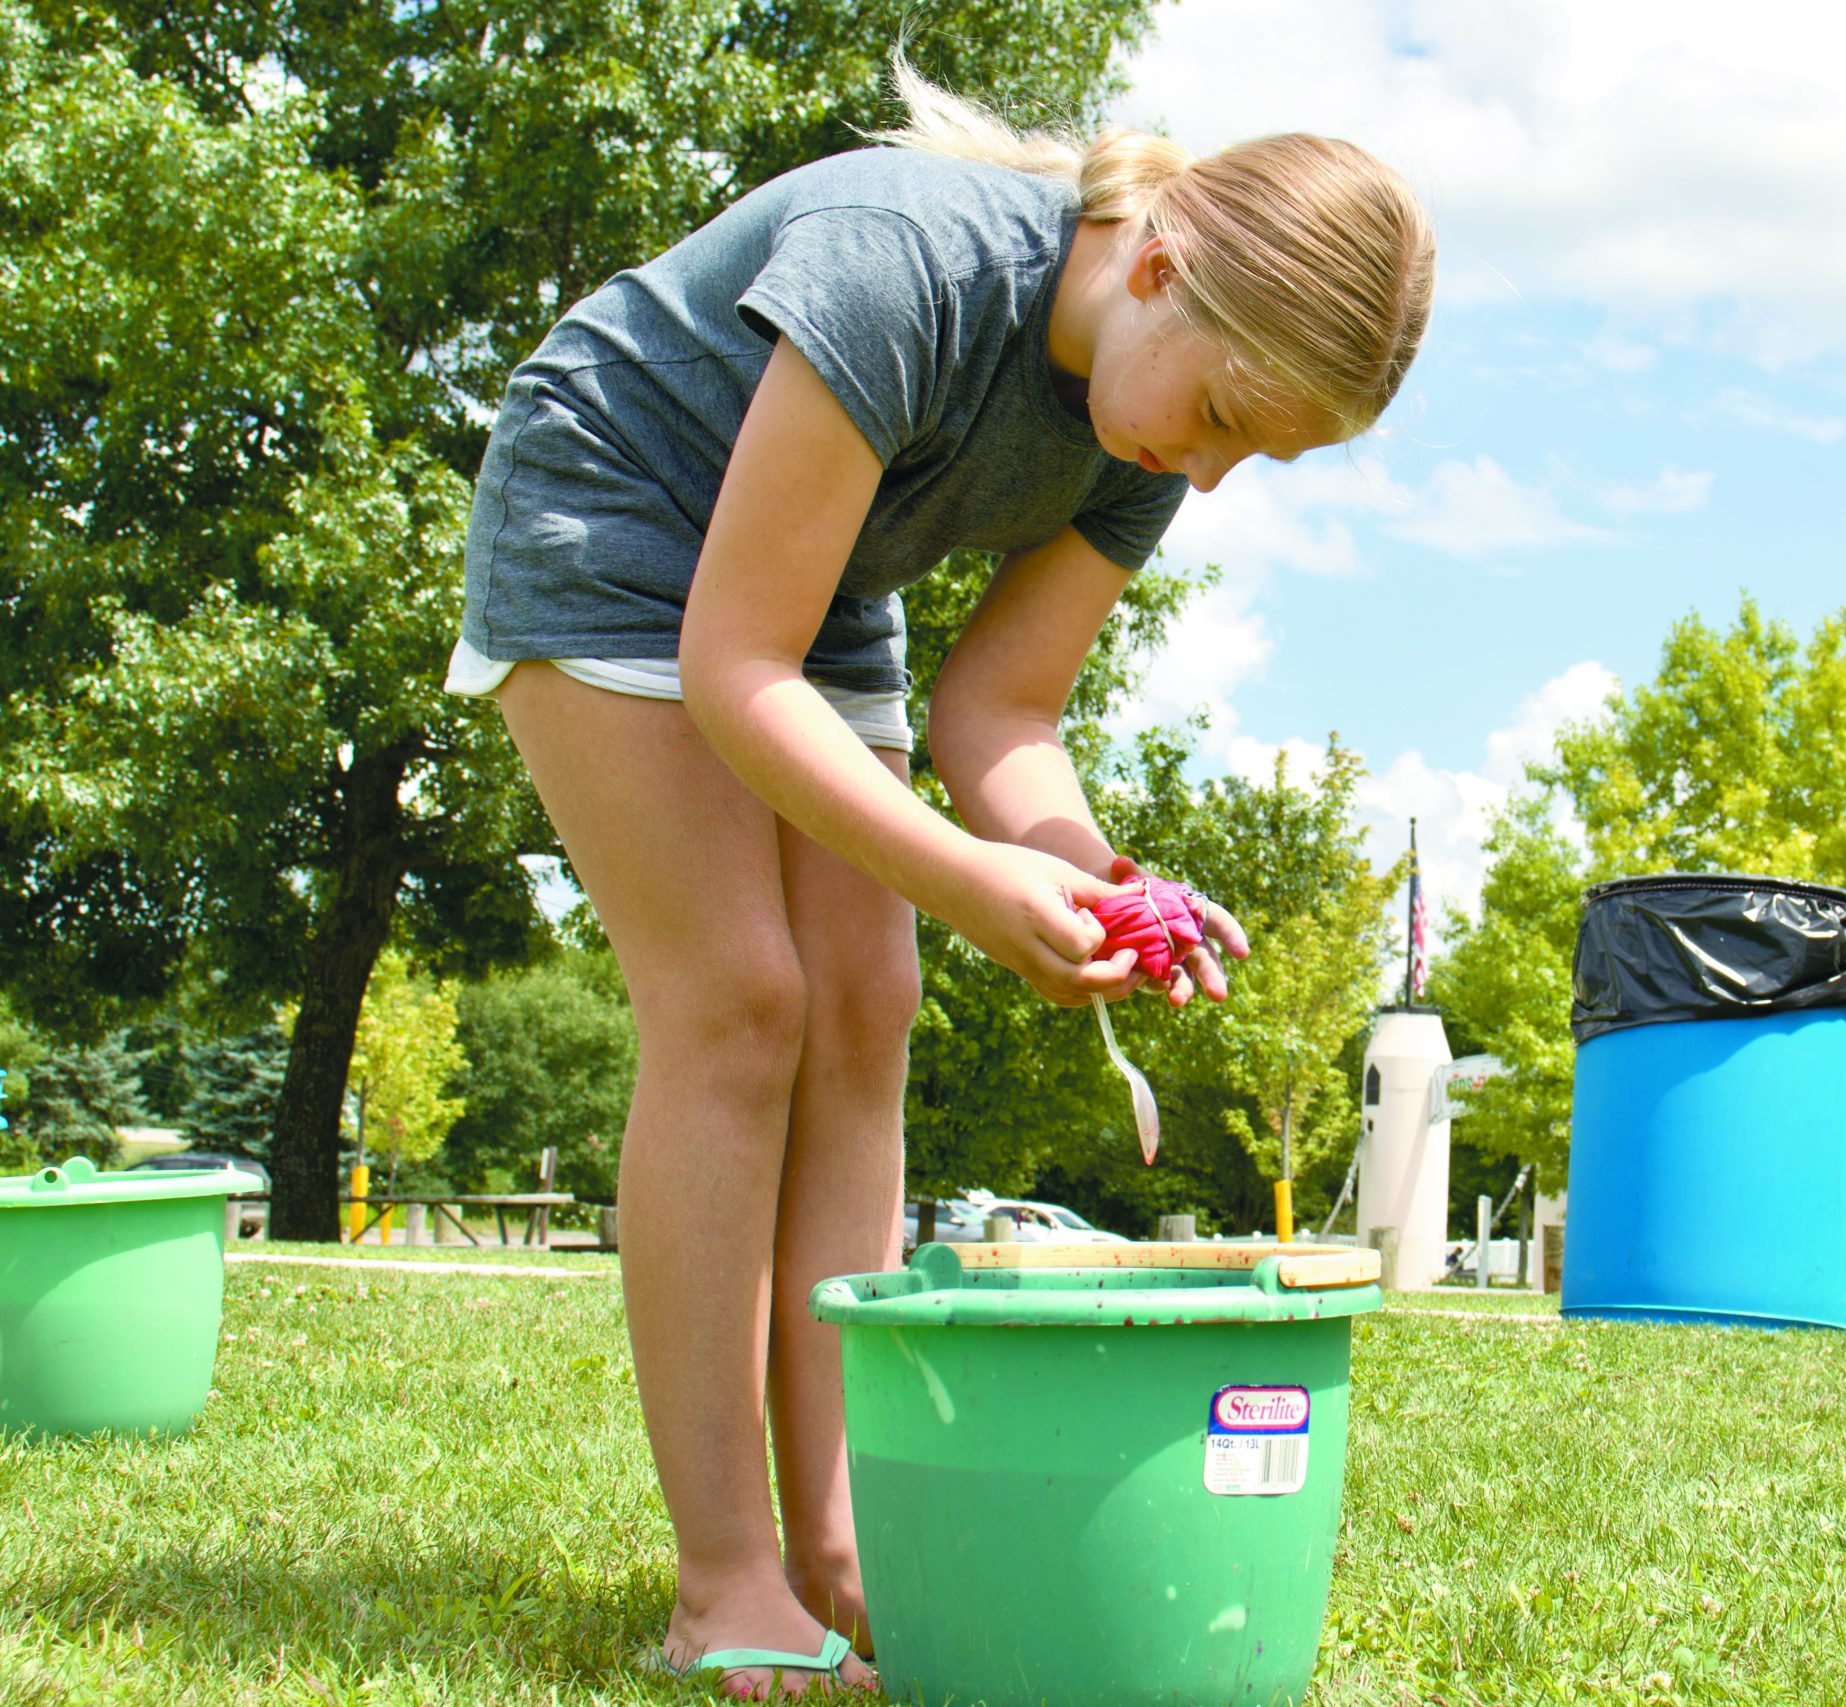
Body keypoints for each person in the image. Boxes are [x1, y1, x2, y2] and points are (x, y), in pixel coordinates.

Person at [445, 62, 1432, 1698]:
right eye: (1226, 423)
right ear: (1163, 260)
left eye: (1263, 456)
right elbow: (731, 664)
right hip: (618, 512)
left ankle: (841, 1547)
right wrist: (974, 881)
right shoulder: (910, 267)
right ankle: (726, 1576)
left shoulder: (1140, 421)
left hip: (818, 569)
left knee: (870, 1002)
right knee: (742, 1001)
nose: (1208, 477)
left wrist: (1087, 873)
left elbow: (1004, 712)